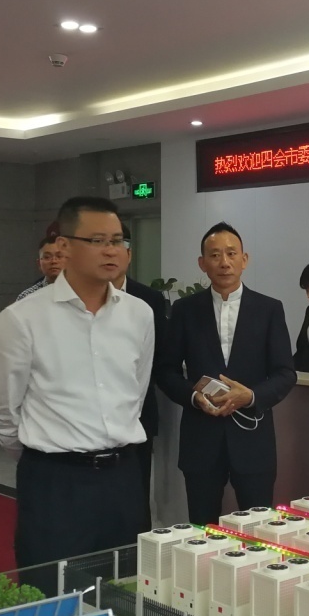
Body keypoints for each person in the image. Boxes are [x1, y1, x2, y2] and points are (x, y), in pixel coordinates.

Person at [0, 197, 153, 593]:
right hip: (55, 482)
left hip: (124, 478)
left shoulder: (139, 314)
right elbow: (4, 408)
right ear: (64, 246)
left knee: (125, 591)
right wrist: (44, 454)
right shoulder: (22, 317)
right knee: (50, 591)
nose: (111, 250)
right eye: (97, 240)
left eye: (118, 240)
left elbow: (137, 390)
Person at [156, 222, 296, 525]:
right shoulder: (184, 310)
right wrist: (193, 397)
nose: (224, 262)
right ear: (202, 263)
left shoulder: (269, 309)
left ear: (244, 260)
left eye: (232, 254)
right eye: (215, 255)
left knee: (258, 529)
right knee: (201, 530)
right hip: (201, 440)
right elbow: (166, 371)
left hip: (253, 439)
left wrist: (252, 396)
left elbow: (286, 373)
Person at [114, 220, 168, 530]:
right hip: (88, 424)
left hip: (138, 416)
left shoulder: (149, 300)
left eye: (118, 245)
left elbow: (159, 357)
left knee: (136, 497)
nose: (110, 253)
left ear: (129, 253)